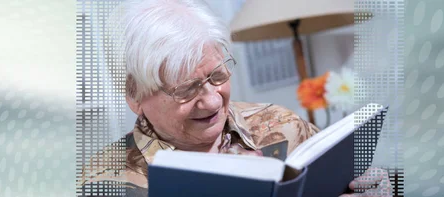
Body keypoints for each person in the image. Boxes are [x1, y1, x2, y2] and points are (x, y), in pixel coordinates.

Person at [78, 0, 393, 196]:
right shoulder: (102, 183)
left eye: (217, 75)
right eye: (186, 90)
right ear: (134, 96)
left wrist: (370, 187)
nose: (213, 101)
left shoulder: (281, 123)